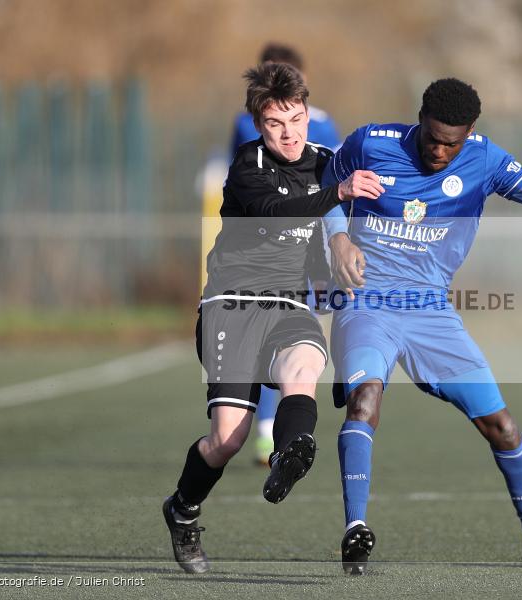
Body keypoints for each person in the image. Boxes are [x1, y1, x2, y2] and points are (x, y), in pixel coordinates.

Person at [321, 78, 522, 574]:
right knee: (367, 398)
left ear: (470, 131)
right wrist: (340, 238)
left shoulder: (486, 159)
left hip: (431, 311)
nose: (438, 149)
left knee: (502, 426)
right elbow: (325, 187)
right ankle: (355, 531)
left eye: (451, 142)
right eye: (431, 137)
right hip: (367, 302)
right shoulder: (371, 142)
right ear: (420, 119)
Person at [162, 61, 382, 574]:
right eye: (275, 123)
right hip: (231, 305)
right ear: (258, 125)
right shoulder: (247, 164)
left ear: (309, 114)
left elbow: (349, 212)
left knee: (303, 369)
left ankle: (289, 455)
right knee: (228, 440)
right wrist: (340, 194)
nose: (289, 133)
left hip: (289, 303)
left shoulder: (327, 162)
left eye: (296, 119)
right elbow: (275, 212)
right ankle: (182, 509)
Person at [228, 43, 342, 466]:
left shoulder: (324, 128)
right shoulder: (246, 129)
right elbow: (240, 175)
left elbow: (334, 175)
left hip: (310, 247)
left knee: (304, 336)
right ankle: (267, 433)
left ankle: (286, 431)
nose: (288, 130)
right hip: (264, 245)